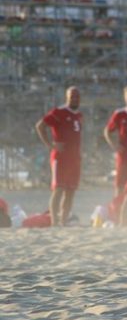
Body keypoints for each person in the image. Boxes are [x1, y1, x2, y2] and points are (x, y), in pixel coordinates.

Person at [35, 86, 83, 226]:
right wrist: (50, 144)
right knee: (59, 189)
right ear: (67, 97)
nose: (74, 98)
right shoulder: (58, 112)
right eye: (72, 96)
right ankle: (54, 222)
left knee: (71, 190)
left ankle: (63, 222)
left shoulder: (79, 115)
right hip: (61, 157)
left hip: (74, 158)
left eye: (77, 96)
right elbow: (40, 126)